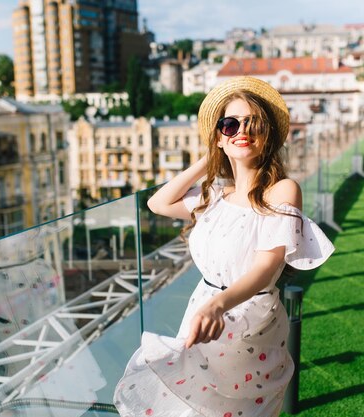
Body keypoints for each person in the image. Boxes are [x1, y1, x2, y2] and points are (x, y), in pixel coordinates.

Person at [113, 76, 334, 417]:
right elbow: (158, 203)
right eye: (230, 124)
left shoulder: (282, 191)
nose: (242, 130)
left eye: (253, 123)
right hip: (203, 310)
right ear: (219, 135)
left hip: (249, 320)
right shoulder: (215, 195)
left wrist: (218, 305)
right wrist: (212, 153)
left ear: (268, 136)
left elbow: (264, 270)